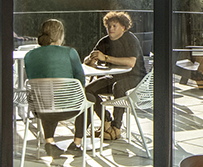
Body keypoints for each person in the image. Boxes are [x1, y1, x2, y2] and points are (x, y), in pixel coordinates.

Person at [21, 18, 87, 154]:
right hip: (69, 108)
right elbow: (81, 81)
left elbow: (30, 80)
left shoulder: (29, 56)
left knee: (45, 95)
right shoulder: (70, 52)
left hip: (40, 109)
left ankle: (50, 142)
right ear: (61, 35)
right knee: (89, 98)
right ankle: (76, 143)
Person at [83, 10, 144, 140]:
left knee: (119, 87)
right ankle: (106, 120)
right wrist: (91, 59)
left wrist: (105, 58)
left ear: (123, 27)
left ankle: (116, 128)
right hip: (113, 77)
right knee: (88, 90)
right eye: (108, 26)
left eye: (114, 26)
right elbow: (87, 59)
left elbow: (131, 62)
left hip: (136, 77)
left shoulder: (130, 39)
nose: (110, 29)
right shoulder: (104, 41)